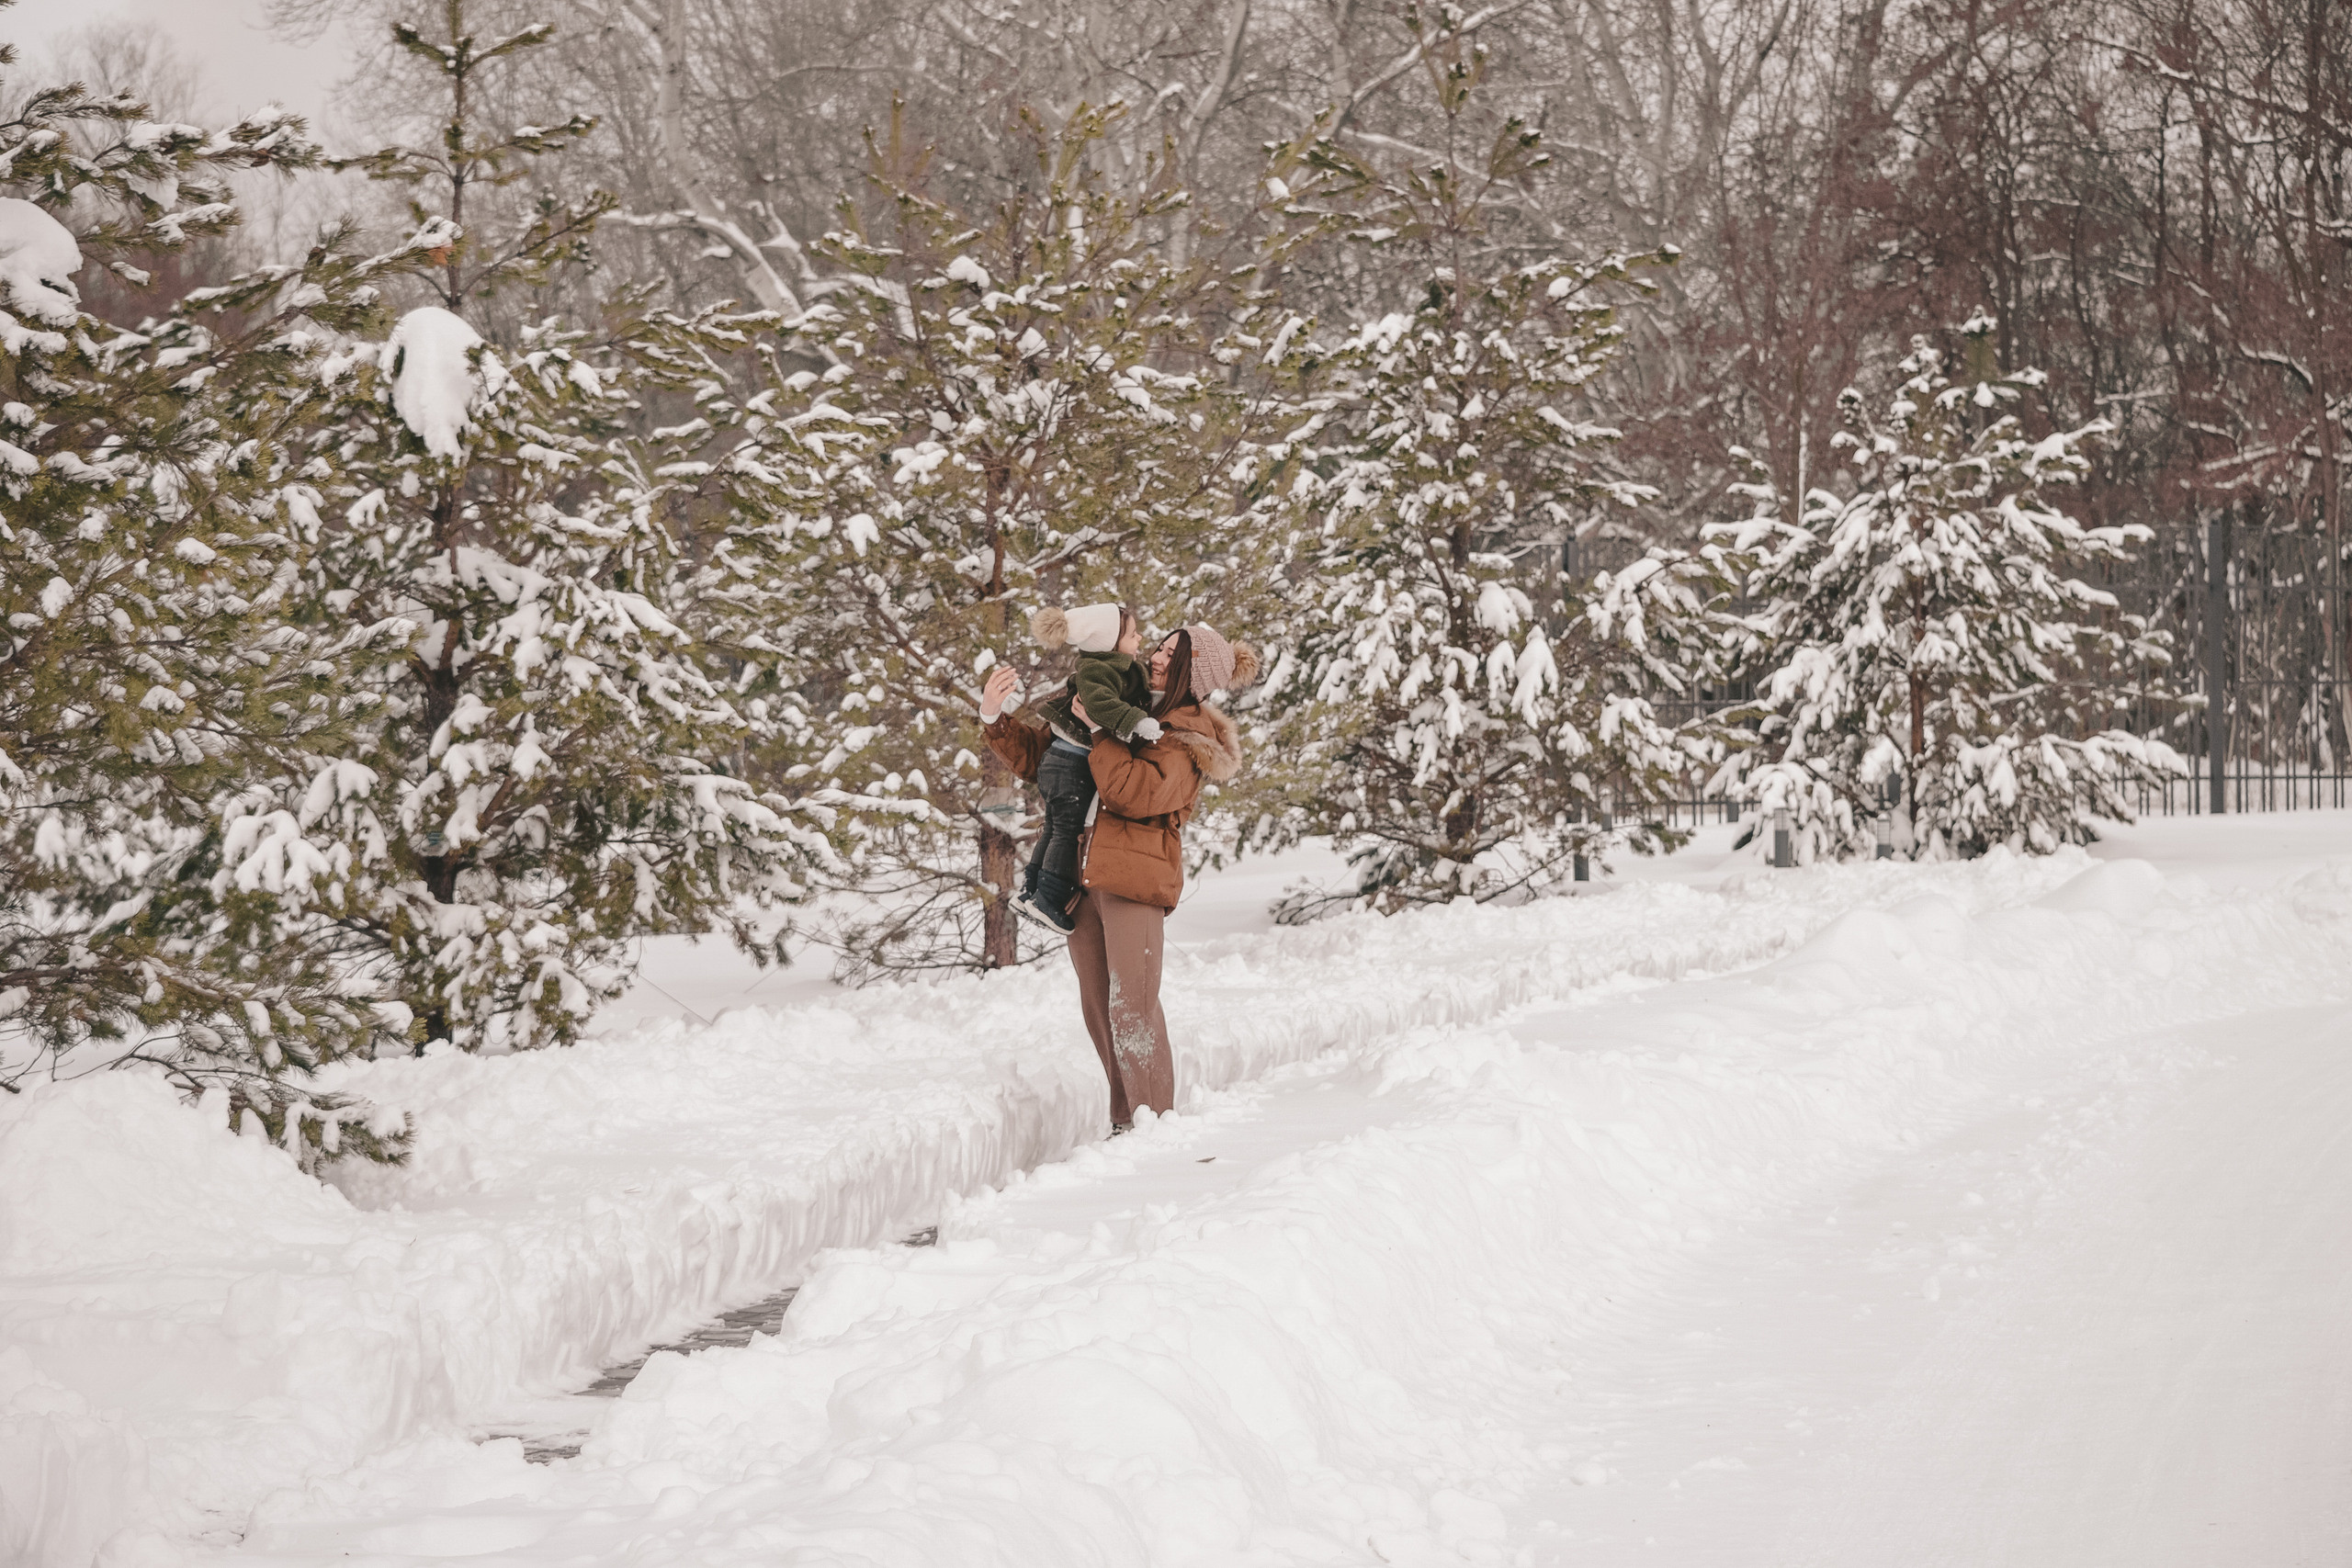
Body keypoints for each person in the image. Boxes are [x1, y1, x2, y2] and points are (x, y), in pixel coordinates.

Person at [978, 622, 1258, 1130]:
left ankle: (1153, 1124)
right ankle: (1126, 1121)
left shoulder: (1187, 735)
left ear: (1194, 674)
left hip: (1134, 876)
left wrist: (1104, 730)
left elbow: (1132, 792)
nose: (1157, 656)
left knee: (1134, 1005)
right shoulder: (1120, 703)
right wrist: (995, 717)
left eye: (1173, 654)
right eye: (1161, 646)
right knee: (1100, 1009)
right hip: (1082, 872)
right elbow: (1046, 758)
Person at [1013, 604, 1159, 933]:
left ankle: (1031, 891)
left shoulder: (1107, 666)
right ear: (1110, 642)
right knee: (1065, 830)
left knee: (1053, 827)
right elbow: (1099, 705)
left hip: (1060, 760)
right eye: (1133, 634)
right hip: (1071, 763)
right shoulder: (1100, 670)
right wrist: (1136, 721)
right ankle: (1048, 900)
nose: (1140, 638)